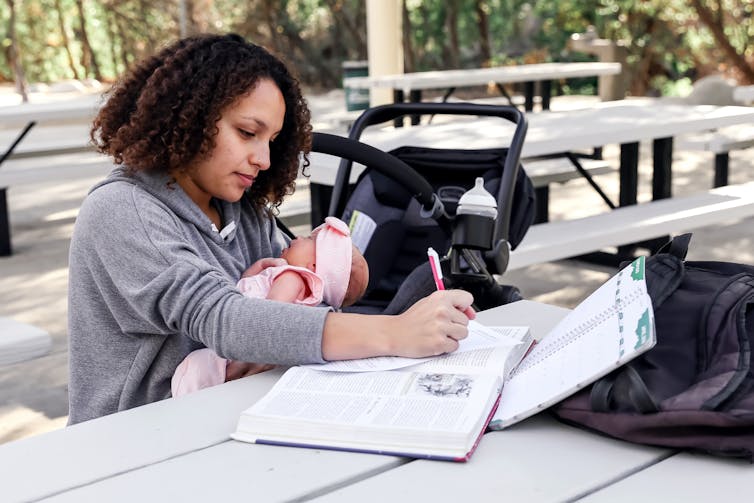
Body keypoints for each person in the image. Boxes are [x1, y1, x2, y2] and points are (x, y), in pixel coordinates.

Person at [67, 33, 475, 425]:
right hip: (134, 444)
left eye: (273, 140)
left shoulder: (239, 209)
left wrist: (331, 281)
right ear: (186, 118)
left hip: (230, 418)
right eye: (247, 133)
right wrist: (395, 332)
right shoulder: (123, 210)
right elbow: (227, 321)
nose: (263, 158)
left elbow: (297, 304)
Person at [171, 216, 369, 396]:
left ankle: (185, 399)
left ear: (314, 267)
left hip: (239, 347)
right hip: (238, 345)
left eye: (308, 240)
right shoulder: (292, 281)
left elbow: (270, 314)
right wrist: (256, 271)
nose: (297, 238)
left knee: (196, 367)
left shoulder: (293, 278)